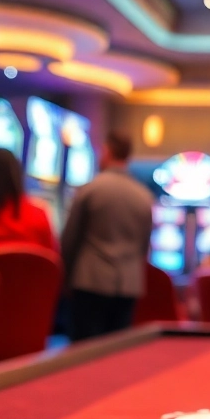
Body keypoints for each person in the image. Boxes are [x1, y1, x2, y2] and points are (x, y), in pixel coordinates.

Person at [60, 132, 154, 341]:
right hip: (128, 285)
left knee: (84, 353)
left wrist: (65, 280)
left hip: (89, 281)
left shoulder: (90, 190)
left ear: (107, 151)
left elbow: (69, 241)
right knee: (115, 356)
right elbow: (145, 247)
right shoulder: (144, 196)